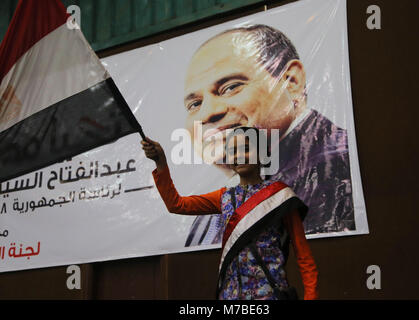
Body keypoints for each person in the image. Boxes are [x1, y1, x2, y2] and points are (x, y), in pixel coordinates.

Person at [183, 24, 354, 245]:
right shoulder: (216, 206)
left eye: (231, 87)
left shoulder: (342, 167)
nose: (207, 113)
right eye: (195, 104)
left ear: (291, 82)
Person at [141, 127, 318, 300]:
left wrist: (311, 295)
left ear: (263, 153)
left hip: (269, 295)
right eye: (233, 151)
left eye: (246, 149)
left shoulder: (280, 196)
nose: (238, 155)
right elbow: (176, 205)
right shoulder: (224, 197)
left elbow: (304, 256)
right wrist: (161, 162)